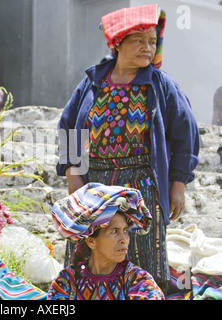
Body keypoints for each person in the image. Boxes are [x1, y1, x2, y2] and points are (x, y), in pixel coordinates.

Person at [56, 4, 200, 292]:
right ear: (118, 44)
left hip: (141, 186)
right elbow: (68, 126)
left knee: (138, 251)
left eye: (152, 41)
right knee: (90, 249)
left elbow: (186, 133)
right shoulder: (92, 82)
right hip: (94, 184)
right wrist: (73, 172)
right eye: (139, 41)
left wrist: (178, 184)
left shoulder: (161, 86)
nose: (148, 48)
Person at [47, 183, 164, 300]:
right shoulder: (67, 281)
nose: (124, 240)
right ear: (91, 241)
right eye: (115, 231)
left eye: (126, 231)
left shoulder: (137, 280)